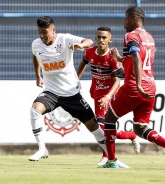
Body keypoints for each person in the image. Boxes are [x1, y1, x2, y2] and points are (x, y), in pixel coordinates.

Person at [29, 16, 128, 167]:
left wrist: (80, 46)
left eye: (45, 32)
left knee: (94, 127)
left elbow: (88, 41)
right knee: (35, 110)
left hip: (71, 94)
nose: (42, 35)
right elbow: (36, 57)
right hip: (51, 92)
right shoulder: (36, 44)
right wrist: (38, 75)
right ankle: (42, 149)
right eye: (39, 32)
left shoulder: (65, 39)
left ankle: (112, 158)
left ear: (53, 31)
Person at [100, 6, 165, 168]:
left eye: (126, 19)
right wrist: (119, 58)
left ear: (135, 19)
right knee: (139, 128)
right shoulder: (149, 37)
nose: (124, 22)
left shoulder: (131, 35)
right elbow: (138, 59)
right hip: (150, 87)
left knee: (109, 119)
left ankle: (112, 161)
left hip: (135, 88)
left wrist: (137, 84)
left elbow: (136, 57)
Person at [77, 26, 140, 166]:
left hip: (110, 95)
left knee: (101, 127)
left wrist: (108, 96)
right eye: (99, 37)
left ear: (110, 40)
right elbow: (82, 65)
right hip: (96, 94)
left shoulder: (112, 57)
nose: (101, 40)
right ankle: (130, 135)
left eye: (104, 37)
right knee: (102, 129)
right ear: (95, 38)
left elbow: (118, 81)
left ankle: (107, 157)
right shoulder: (89, 52)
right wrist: (76, 82)